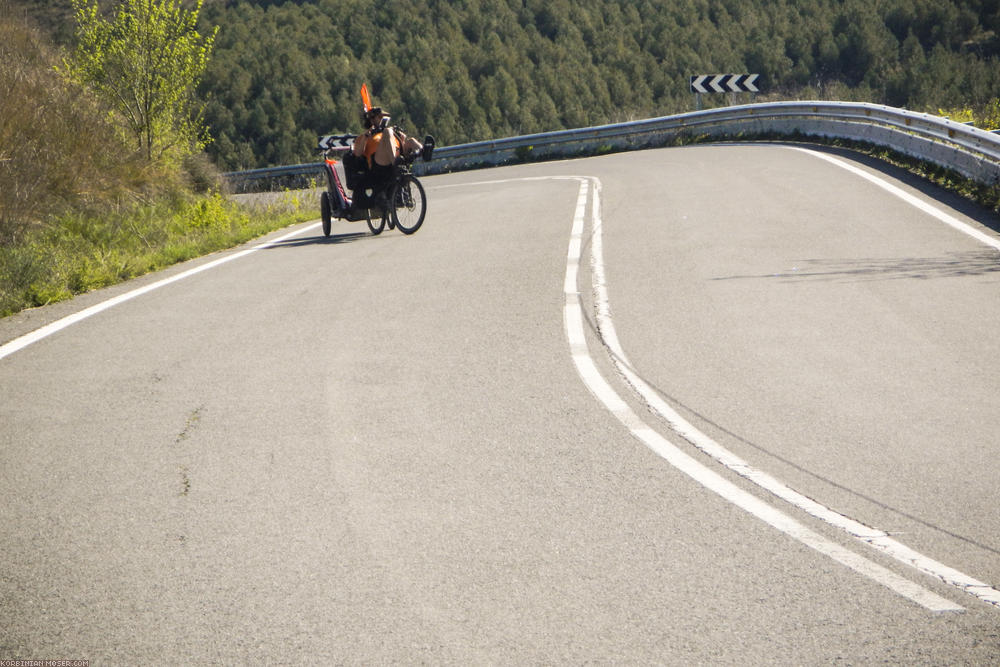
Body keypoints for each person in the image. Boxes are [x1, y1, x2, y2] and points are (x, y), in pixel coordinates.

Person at [350, 106, 423, 205]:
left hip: (395, 156)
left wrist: (400, 136)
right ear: (371, 120)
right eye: (380, 117)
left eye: (384, 118)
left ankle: (424, 151)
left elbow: (401, 143)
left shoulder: (388, 132)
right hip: (378, 165)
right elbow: (357, 153)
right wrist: (366, 137)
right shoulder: (364, 136)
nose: (383, 120)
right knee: (387, 131)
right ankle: (396, 164)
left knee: (411, 141)